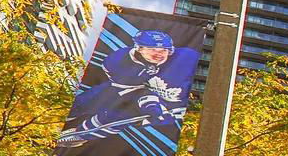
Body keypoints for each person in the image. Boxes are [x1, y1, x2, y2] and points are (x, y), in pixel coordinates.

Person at [60, 30, 200, 146]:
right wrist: (151, 104)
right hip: (129, 94)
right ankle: (58, 116)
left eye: (164, 50)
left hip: (174, 102)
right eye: (152, 49)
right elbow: (131, 93)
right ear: (139, 48)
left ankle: (81, 133)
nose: (159, 53)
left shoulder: (185, 58)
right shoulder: (119, 61)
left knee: (118, 117)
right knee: (95, 100)